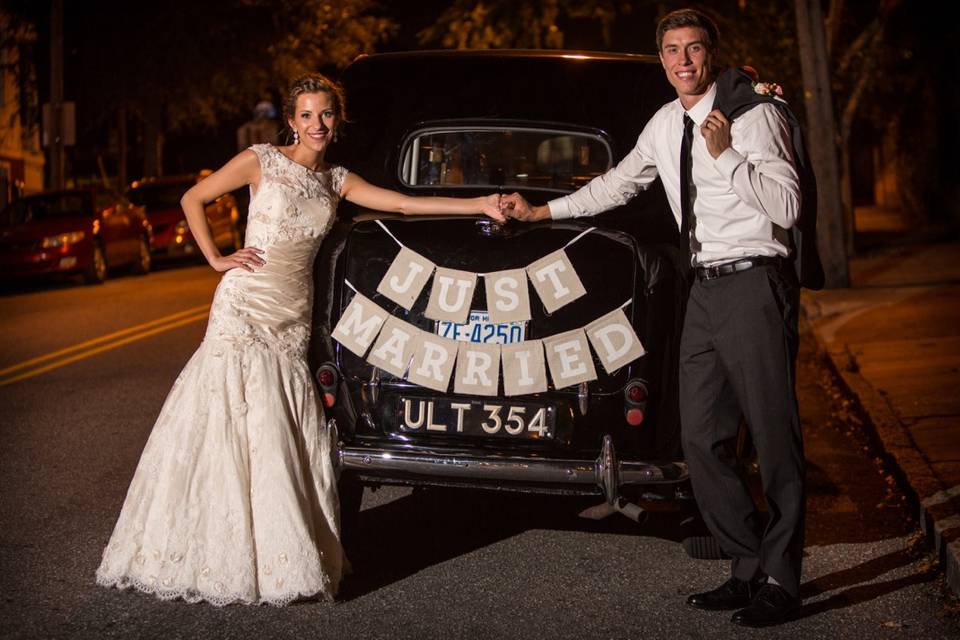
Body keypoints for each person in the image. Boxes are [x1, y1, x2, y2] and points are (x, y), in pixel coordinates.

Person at [95, 74, 503, 606]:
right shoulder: (260, 160)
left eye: (326, 114)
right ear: (291, 120)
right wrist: (217, 258)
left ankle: (274, 550)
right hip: (244, 304)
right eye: (306, 115)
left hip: (291, 314)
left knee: (278, 430)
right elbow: (193, 197)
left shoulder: (337, 180)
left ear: (339, 119)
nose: (317, 125)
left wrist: (481, 204)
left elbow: (402, 204)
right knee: (237, 418)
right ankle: (217, 547)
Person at [502, 9, 805, 628]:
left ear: (711, 54)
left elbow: (788, 205)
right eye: (672, 51)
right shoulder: (666, 124)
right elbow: (616, 185)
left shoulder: (755, 117)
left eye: (694, 49)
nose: (683, 61)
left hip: (753, 281)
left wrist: (726, 157)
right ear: (662, 59)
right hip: (705, 289)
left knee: (773, 439)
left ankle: (781, 578)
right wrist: (540, 214)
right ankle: (746, 564)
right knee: (699, 436)